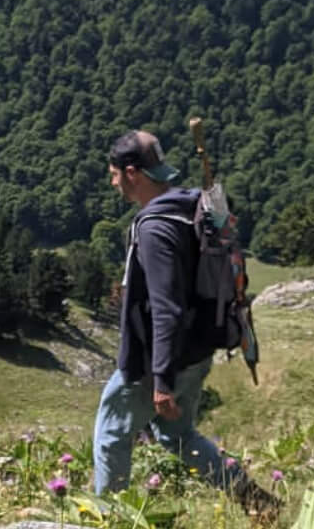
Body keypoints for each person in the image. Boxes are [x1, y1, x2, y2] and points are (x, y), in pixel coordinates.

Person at [91, 129, 243, 499]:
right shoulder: (190, 206)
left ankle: (113, 524)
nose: (113, 184)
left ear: (132, 172)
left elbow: (166, 308)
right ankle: (246, 492)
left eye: (114, 175)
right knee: (176, 434)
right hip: (197, 350)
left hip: (159, 362)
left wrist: (160, 380)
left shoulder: (155, 228)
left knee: (110, 433)